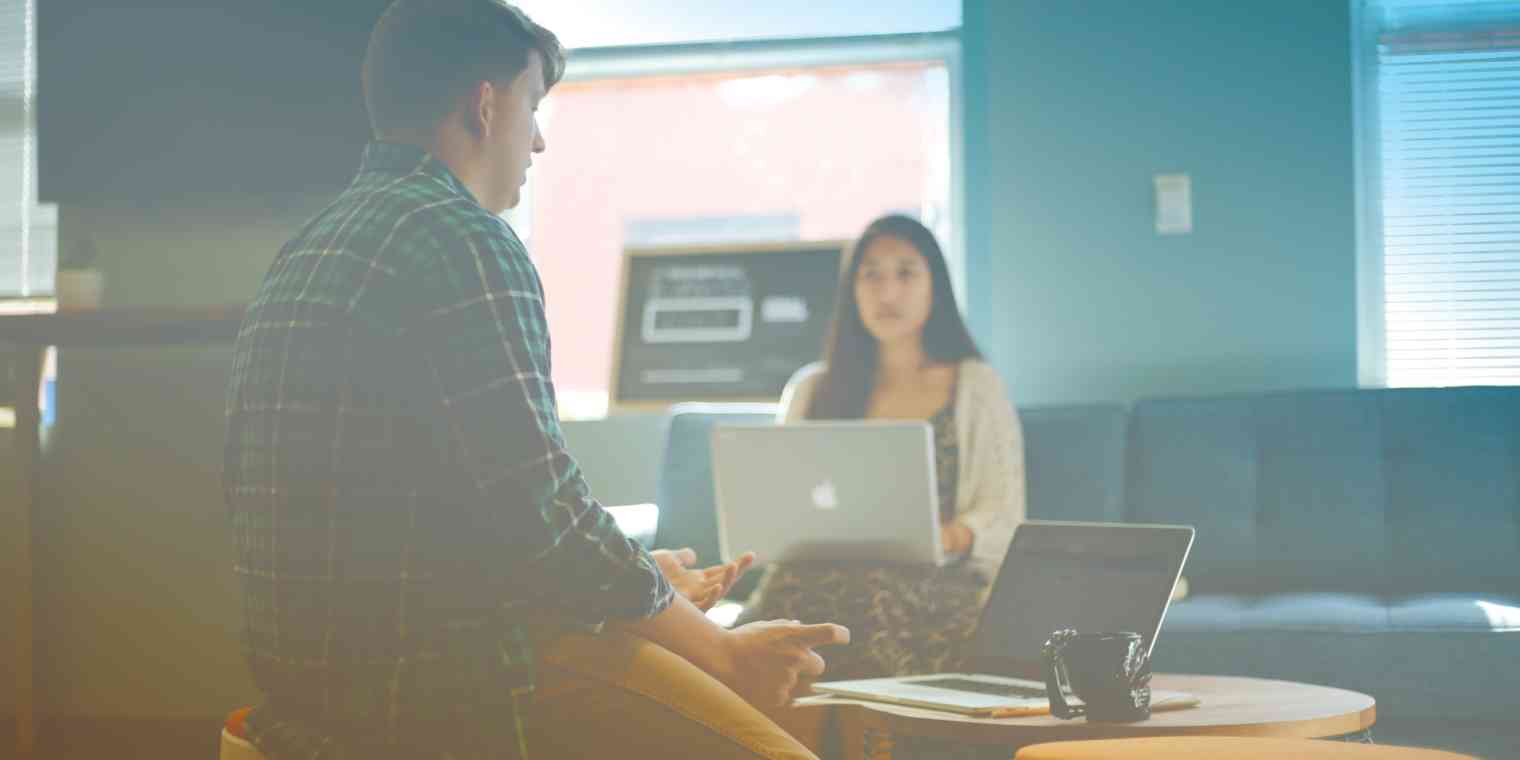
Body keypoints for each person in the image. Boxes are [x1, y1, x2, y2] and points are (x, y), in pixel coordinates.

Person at [222, 2, 845, 758]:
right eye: (534, 106)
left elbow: (452, 513)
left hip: (309, 691)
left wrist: (638, 585)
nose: (539, 140)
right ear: (485, 106)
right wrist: (723, 654)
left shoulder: (308, 251)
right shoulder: (463, 239)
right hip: (442, 686)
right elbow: (544, 520)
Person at [735, 214, 1025, 681]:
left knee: (868, 595)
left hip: (936, 579)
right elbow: (781, 501)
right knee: (778, 609)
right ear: (852, 289)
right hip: (812, 573)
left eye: (906, 273)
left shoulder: (976, 386)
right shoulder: (812, 389)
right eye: (871, 274)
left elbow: (1003, 511)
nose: (887, 293)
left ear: (936, 285)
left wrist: (950, 534)